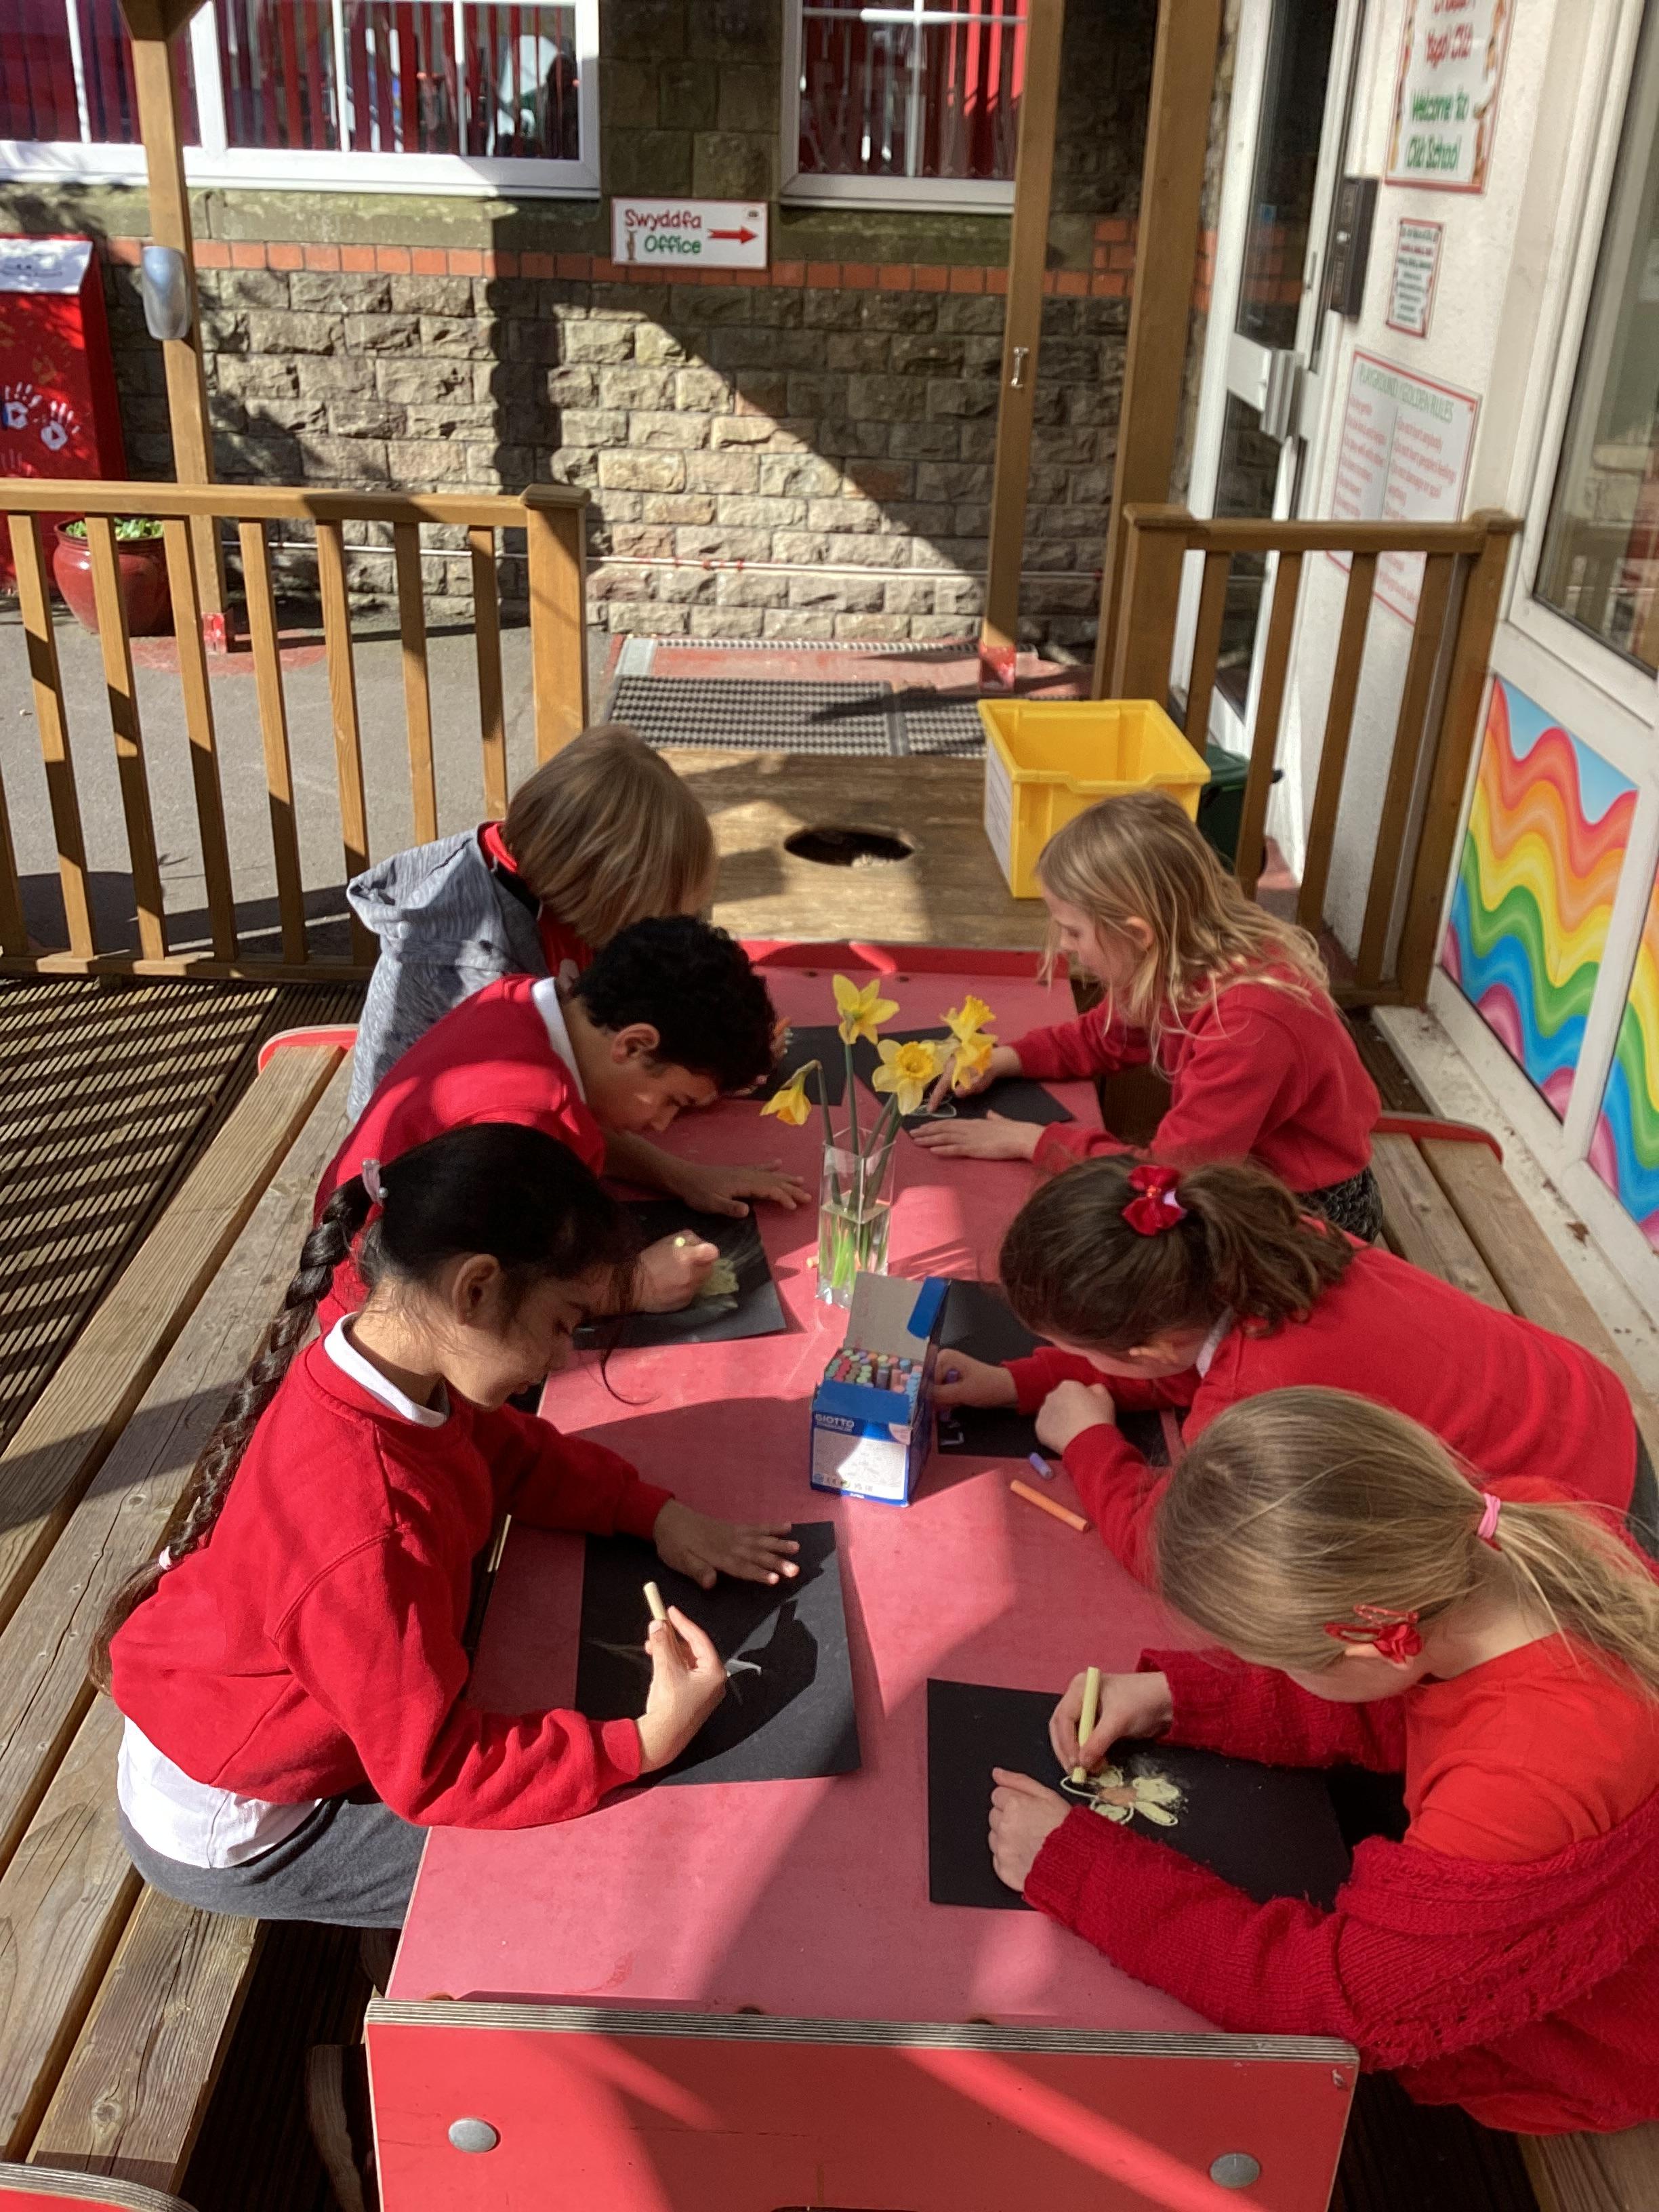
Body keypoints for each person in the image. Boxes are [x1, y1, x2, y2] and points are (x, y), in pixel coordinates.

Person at [98, 1124, 800, 1929]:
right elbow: (436, 1772)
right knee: (607, 1872)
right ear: (475, 1289)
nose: (562, 1360)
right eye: (563, 1323)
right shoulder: (367, 1530)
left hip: (291, 1704)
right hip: (251, 1819)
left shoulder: (387, 1363)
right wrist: (642, 1743)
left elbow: (505, 1454)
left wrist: (652, 1513)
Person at [987, 1389, 1659, 2135]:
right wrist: (1182, 1697)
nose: (1273, 1672)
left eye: (1279, 1659)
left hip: (1600, 2041)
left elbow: (1332, 2007)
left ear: (1366, 1640)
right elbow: (1408, 1697)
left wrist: (1079, 1871)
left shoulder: (1525, 1780)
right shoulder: (1502, 1527)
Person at [935, 1155, 1656, 1576]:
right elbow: (1187, 1356)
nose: (1074, 1362)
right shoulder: (1254, 1241)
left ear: (1143, 1348)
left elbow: (1173, 1549)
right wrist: (1016, 1382)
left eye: (1079, 1350)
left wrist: (1087, 1441)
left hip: (1582, 1528)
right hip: (1586, 1410)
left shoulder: (1254, 1396)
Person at [913, 789, 1382, 1241]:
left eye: (1074, 932)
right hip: (1241, 1173)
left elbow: (1170, 1178)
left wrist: (1031, 1142)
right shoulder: (1172, 959)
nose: (1066, 947)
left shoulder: (1248, 1023)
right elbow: (1104, 1037)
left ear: (1137, 933)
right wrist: (1006, 1059)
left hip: (1313, 1207)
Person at [316, 915, 806, 1332]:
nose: (664, 1124)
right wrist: (632, 1286)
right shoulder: (520, 1122)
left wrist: (683, 1176)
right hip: (388, 1319)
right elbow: (489, 1293)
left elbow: (574, 1125)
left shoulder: (523, 1002)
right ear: (633, 1045)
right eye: (673, 1102)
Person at [346, 723, 717, 1118]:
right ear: (602, 884)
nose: (658, 932)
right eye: (657, 911)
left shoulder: (537, 880)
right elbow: (543, 1106)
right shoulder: (476, 967)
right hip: (432, 1142)